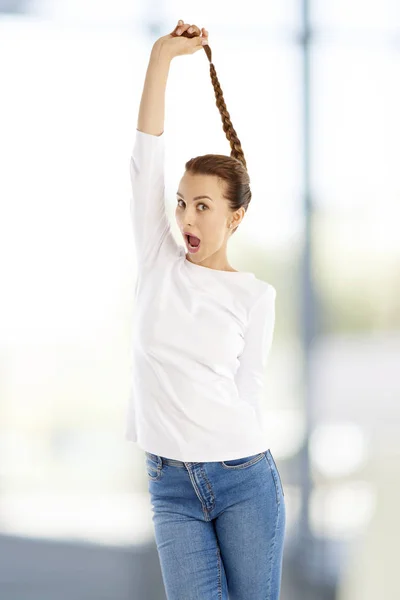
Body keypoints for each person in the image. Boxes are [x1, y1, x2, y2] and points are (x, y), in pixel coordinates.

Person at [126, 19, 286, 600]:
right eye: (181, 204)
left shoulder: (254, 296)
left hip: (244, 476)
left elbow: (250, 390)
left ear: (234, 216)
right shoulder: (157, 261)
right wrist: (161, 58)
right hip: (170, 484)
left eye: (202, 207)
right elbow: (147, 159)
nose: (187, 220)